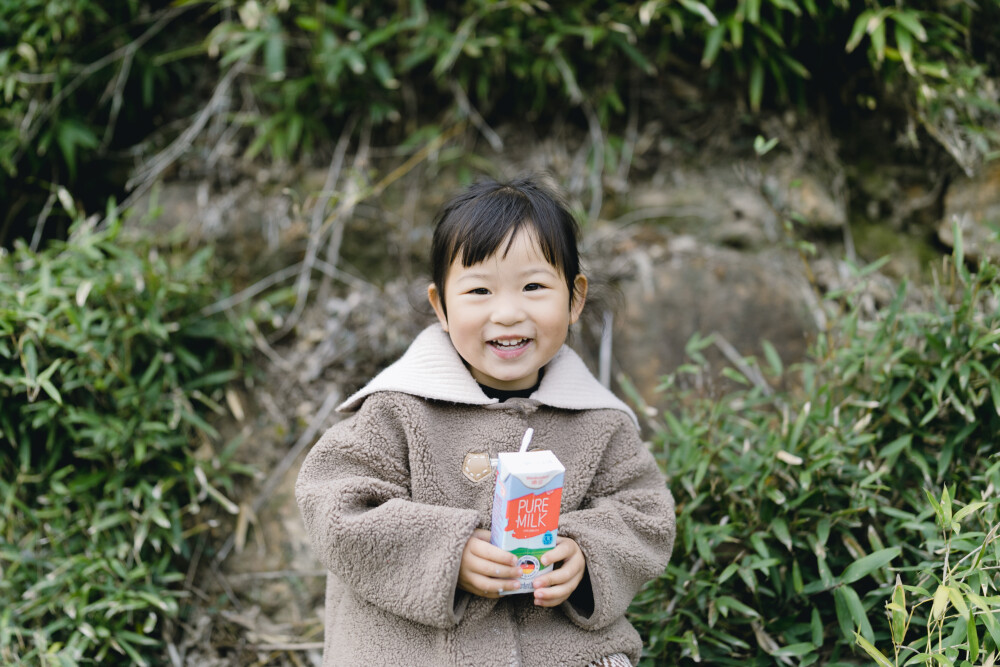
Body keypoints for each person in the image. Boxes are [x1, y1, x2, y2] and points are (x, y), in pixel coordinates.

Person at [295, 176, 676, 666]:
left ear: (575, 298)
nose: (508, 313)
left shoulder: (599, 423)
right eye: (479, 290)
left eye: (534, 286)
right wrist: (446, 553)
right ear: (442, 307)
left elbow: (645, 514)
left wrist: (586, 554)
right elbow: (333, 500)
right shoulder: (399, 409)